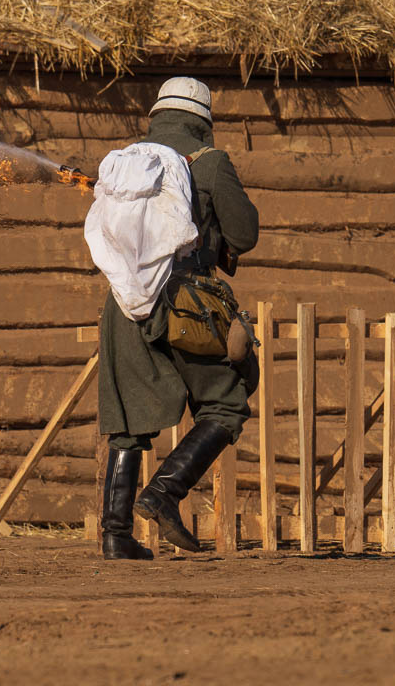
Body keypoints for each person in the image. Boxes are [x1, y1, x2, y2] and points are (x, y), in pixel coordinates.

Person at [96, 76, 260, 560]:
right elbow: (245, 234)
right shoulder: (209, 163)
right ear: (202, 121)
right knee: (225, 405)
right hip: (185, 300)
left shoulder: (126, 166)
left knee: (128, 424)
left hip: (124, 301)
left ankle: (115, 535)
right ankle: (165, 492)